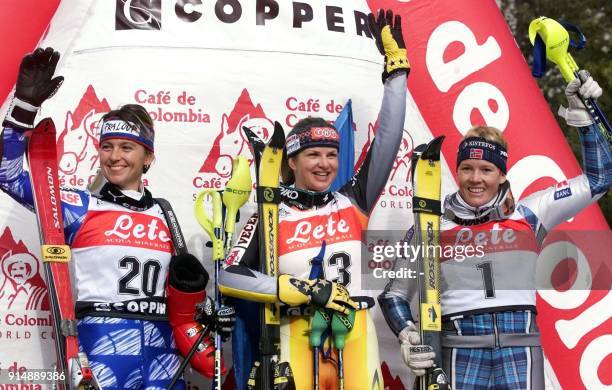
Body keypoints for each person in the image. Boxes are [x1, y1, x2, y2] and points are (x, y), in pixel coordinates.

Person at [0, 47, 234, 389]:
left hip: (162, 351)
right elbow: (8, 175)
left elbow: (181, 300)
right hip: (102, 345)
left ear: (148, 157)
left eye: (126, 148)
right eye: (107, 147)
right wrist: (24, 108)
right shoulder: (79, 206)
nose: (114, 157)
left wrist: (207, 311)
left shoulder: (165, 214)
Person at [378, 71, 611, 389]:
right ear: (456, 170)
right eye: (467, 168)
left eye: (487, 169)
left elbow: (599, 180)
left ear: (502, 175)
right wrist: (406, 333)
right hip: (458, 349)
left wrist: (584, 119)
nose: (476, 178)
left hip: (520, 347)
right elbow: (394, 295)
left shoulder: (530, 213)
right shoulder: (430, 224)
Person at [218, 9, 409, 390]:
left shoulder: (353, 199)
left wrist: (397, 75)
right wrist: (295, 288)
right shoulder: (271, 212)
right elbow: (227, 275)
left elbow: (387, 142)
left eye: (331, 154)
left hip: (355, 334)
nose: (324, 164)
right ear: (291, 161)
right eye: (313, 155)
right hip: (294, 330)